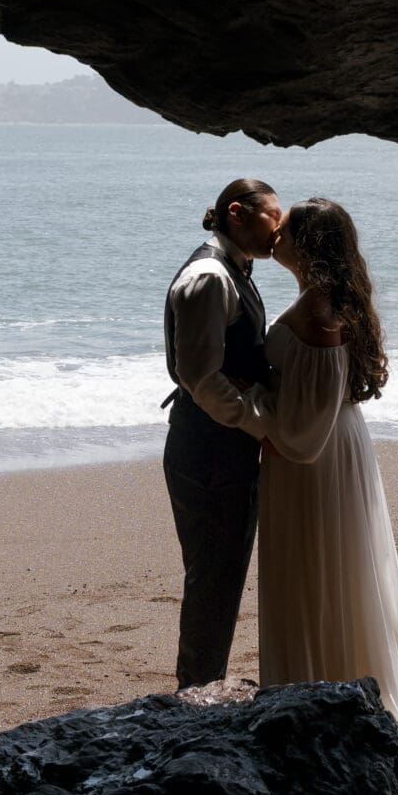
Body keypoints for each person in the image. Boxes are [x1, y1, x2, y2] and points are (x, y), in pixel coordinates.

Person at [247, 198, 398, 738]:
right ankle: (336, 679)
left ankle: (320, 689)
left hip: (312, 454)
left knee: (317, 564)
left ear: (308, 245)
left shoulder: (317, 310)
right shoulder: (327, 300)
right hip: (335, 441)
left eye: (286, 229)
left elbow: (304, 426)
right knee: (340, 564)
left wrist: (251, 409)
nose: (276, 235)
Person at [161, 176, 283, 689]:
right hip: (209, 448)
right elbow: (201, 378)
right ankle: (196, 694)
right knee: (214, 576)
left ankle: (203, 686)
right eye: (272, 216)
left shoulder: (237, 269)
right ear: (237, 212)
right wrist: (261, 426)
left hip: (216, 443)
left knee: (220, 573)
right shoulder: (211, 276)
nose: (280, 227)